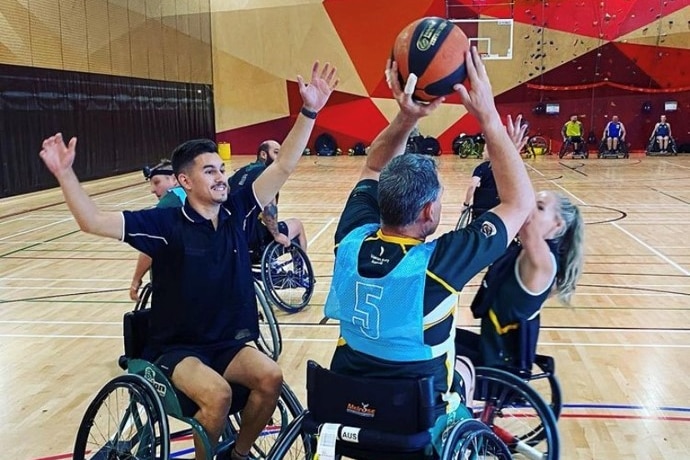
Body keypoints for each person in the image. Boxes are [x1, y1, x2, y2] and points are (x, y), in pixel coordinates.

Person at [39, 61, 338, 460]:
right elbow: (92, 221)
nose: (220, 177)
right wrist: (64, 174)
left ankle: (239, 454)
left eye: (221, 169)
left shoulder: (239, 209)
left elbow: (283, 164)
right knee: (217, 395)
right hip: (180, 350)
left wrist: (310, 111)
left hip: (229, 343)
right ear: (185, 181)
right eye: (209, 170)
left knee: (271, 376)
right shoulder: (165, 223)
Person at [324, 48, 534, 451]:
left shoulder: (349, 239)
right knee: (466, 379)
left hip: (344, 401)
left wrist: (408, 115)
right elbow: (518, 203)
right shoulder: (437, 267)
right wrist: (488, 117)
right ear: (428, 210)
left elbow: (372, 167)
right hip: (414, 414)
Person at [456, 191, 585, 374]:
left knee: (427, 348)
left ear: (557, 225)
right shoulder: (529, 253)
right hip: (491, 346)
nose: (530, 210)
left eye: (539, 208)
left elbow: (522, 217)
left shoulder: (543, 262)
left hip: (499, 363)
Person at [228, 140, 308, 258]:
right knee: (297, 225)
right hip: (251, 239)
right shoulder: (266, 175)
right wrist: (276, 235)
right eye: (276, 153)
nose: (279, 158)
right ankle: (302, 274)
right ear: (263, 154)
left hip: (230, 235)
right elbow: (269, 210)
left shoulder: (240, 172)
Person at [129, 159, 188, 301]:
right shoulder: (192, 195)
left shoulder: (169, 202)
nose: (152, 189)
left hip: (178, 283)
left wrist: (136, 279)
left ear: (174, 179)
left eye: (157, 182)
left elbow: (150, 247)